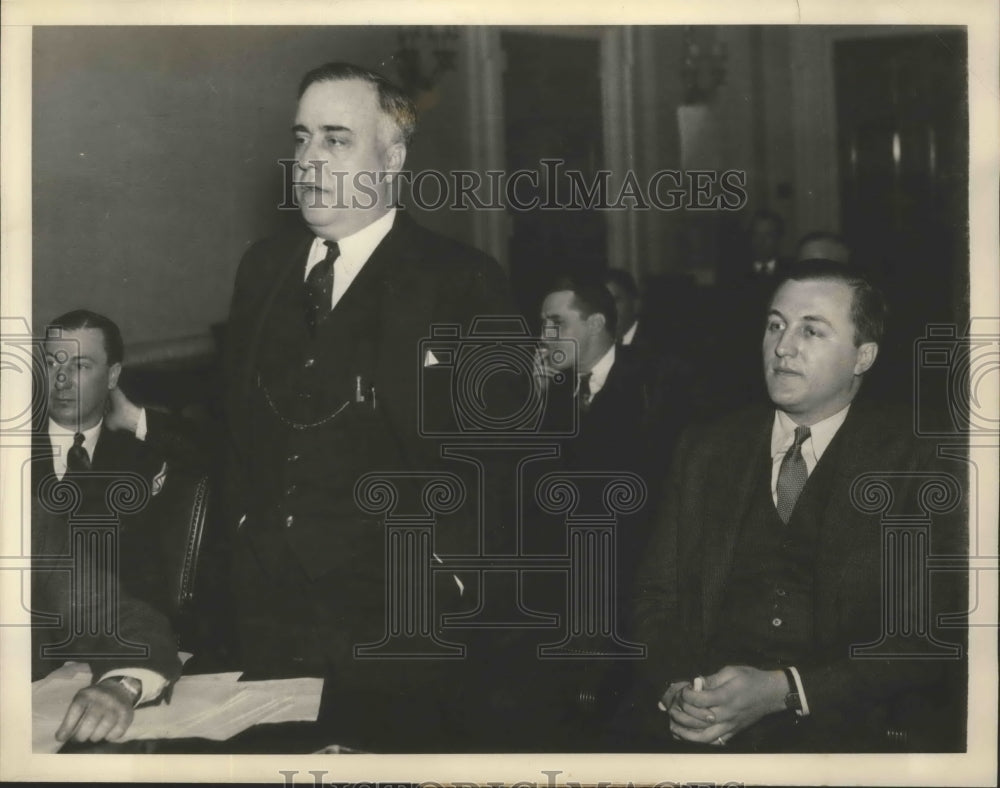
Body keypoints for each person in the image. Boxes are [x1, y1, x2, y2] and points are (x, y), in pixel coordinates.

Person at [219, 62, 513, 747]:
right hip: (265, 621)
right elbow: (237, 432)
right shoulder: (262, 269)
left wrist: (449, 589)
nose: (309, 160)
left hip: (393, 632)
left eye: (336, 138)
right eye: (300, 139)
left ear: (394, 156)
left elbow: (499, 466)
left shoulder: (460, 281)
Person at [626, 260, 966, 752]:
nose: (783, 347)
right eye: (775, 325)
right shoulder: (707, 447)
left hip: (843, 734)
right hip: (697, 725)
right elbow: (653, 598)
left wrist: (785, 691)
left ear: (863, 356)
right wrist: (679, 687)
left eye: (812, 330)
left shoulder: (918, 461)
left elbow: (926, 638)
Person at [32, 312, 183, 744]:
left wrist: (136, 418)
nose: (60, 380)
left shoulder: (139, 455)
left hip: (107, 645)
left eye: (78, 366)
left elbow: (230, 463)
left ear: (113, 373)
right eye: (51, 364)